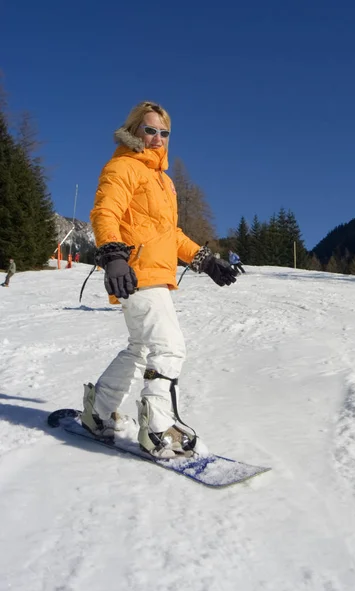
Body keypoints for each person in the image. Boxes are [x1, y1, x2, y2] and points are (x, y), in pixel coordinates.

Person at [83, 100, 237, 459]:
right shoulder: (123, 166)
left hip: (154, 273)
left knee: (141, 349)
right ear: (134, 130)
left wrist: (204, 259)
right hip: (136, 272)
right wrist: (113, 256)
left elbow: (170, 233)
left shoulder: (162, 181)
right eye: (149, 130)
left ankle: (99, 411)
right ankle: (157, 429)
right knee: (169, 348)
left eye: (164, 132)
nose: (157, 138)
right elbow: (104, 212)